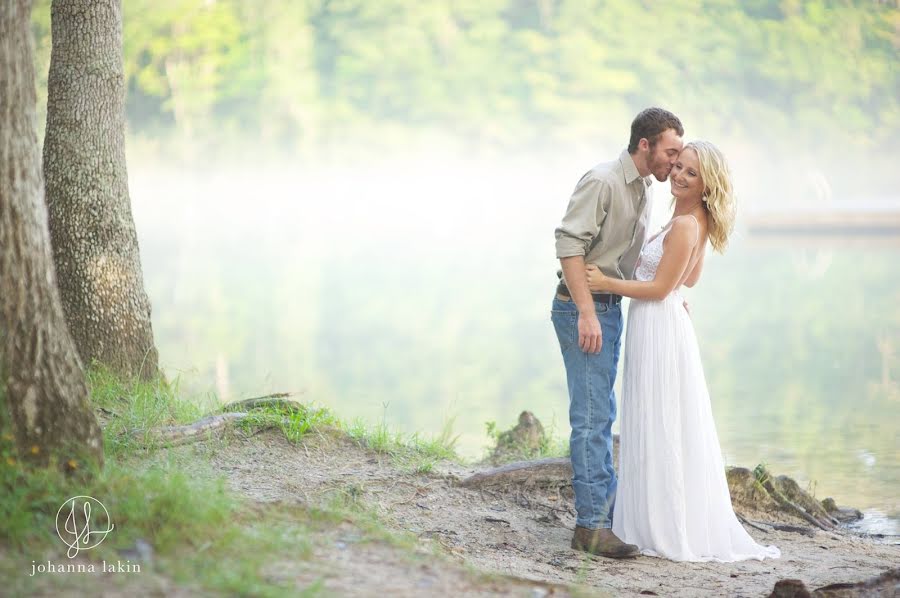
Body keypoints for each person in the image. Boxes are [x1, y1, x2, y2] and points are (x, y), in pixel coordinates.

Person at [586, 141, 781, 562]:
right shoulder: (690, 219)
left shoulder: (687, 225)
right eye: (678, 166)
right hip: (660, 322)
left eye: (691, 172)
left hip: (658, 325)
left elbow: (660, 288)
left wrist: (606, 284)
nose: (678, 174)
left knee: (662, 422)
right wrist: (672, 292)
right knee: (657, 419)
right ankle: (648, 519)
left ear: (706, 182)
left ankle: (665, 526)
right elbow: (685, 282)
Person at [552, 107, 684, 558]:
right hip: (584, 309)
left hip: (609, 306)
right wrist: (587, 313)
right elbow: (569, 245)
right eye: (671, 151)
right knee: (591, 419)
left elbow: (630, 256)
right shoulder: (604, 180)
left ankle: (604, 518)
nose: (675, 160)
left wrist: (666, 292)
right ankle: (590, 528)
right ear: (644, 145)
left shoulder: (644, 188)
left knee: (601, 414)